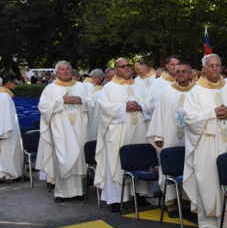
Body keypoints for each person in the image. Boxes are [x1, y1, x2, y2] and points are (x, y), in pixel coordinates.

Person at [183, 54, 227, 228]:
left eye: (217, 65)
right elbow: (190, 118)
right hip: (207, 145)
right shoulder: (196, 91)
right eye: (210, 66)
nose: (214, 68)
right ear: (203, 69)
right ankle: (207, 221)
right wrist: (213, 114)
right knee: (208, 180)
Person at [94, 58, 153, 211]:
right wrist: (123, 108)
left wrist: (141, 106)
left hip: (139, 130)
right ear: (116, 69)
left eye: (128, 65)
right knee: (117, 162)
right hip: (119, 132)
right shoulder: (109, 87)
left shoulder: (139, 85)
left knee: (141, 159)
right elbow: (104, 107)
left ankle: (140, 196)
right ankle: (116, 200)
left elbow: (151, 103)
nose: (126, 68)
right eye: (122, 66)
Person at [37, 61, 92, 202]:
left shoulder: (81, 86)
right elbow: (43, 107)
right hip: (60, 130)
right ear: (57, 72)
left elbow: (92, 104)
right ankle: (61, 193)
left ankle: (79, 191)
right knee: (63, 159)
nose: (66, 71)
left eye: (68, 68)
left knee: (79, 158)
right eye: (62, 69)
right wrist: (62, 101)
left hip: (79, 129)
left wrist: (81, 101)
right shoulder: (50, 89)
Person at [146, 62, 195, 210]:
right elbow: (159, 114)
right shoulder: (167, 91)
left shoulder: (197, 91)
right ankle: (171, 202)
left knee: (191, 166)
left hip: (191, 137)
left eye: (184, 71)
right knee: (170, 166)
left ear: (190, 74)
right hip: (170, 136)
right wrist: (159, 136)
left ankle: (188, 200)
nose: (180, 74)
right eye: (178, 71)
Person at [0, 74, 23, 180]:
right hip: (7, 129)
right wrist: (3, 132)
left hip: (7, 128)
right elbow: (4, 116)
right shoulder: (4, 96)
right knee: (9, 153)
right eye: (15, 83)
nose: (16, 86)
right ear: (9, 83)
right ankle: (11, 174)